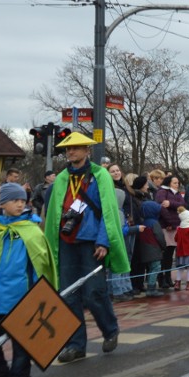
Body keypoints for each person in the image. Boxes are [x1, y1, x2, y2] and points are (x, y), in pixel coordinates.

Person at [43, 132, 129, 363]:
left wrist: (103, 241)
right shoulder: (61, 178)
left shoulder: (100, 175)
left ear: (87, 151)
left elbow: (109, 213)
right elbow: (52, 214)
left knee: (94, 293)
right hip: (66, 243)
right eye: (69, 149)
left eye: (77, 148)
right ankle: (75, 345)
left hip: (92, 243)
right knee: (68, 295)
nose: (72, 152)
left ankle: (110, 330)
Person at [0, 183, 58, 377]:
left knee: (21, 348)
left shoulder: (32, 232)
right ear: (2, 203)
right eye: (14, 200)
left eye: (22, 200)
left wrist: (39, 299)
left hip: (22, 302)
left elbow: (41, 267)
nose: (19, 203)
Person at [155, 175, 186, 291]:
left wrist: (171, 204)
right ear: (169, 183)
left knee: (170, 254)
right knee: (164, 254)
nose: (177, 185)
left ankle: (168, 277)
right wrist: (170, 222)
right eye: (174, 183)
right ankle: (161, 278)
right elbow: (162, 207)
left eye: (178, 183)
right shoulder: (162, 192)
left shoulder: (177, 194)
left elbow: (183, 205)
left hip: (175, 226)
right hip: (166, 226)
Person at [136, 201, 166, 297]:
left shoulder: (143, 222)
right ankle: (151, 288)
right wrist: (163, 246)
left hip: (145, 249)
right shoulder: (154, 223)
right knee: (156, 267)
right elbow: (159, 236)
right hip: (154, 249)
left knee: (150, 268)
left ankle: (150, 286)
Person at [174, 207, 189, 291]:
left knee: (180, 268)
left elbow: (176, 239)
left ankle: (177, 283)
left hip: (180, 252)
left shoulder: (180, 228)